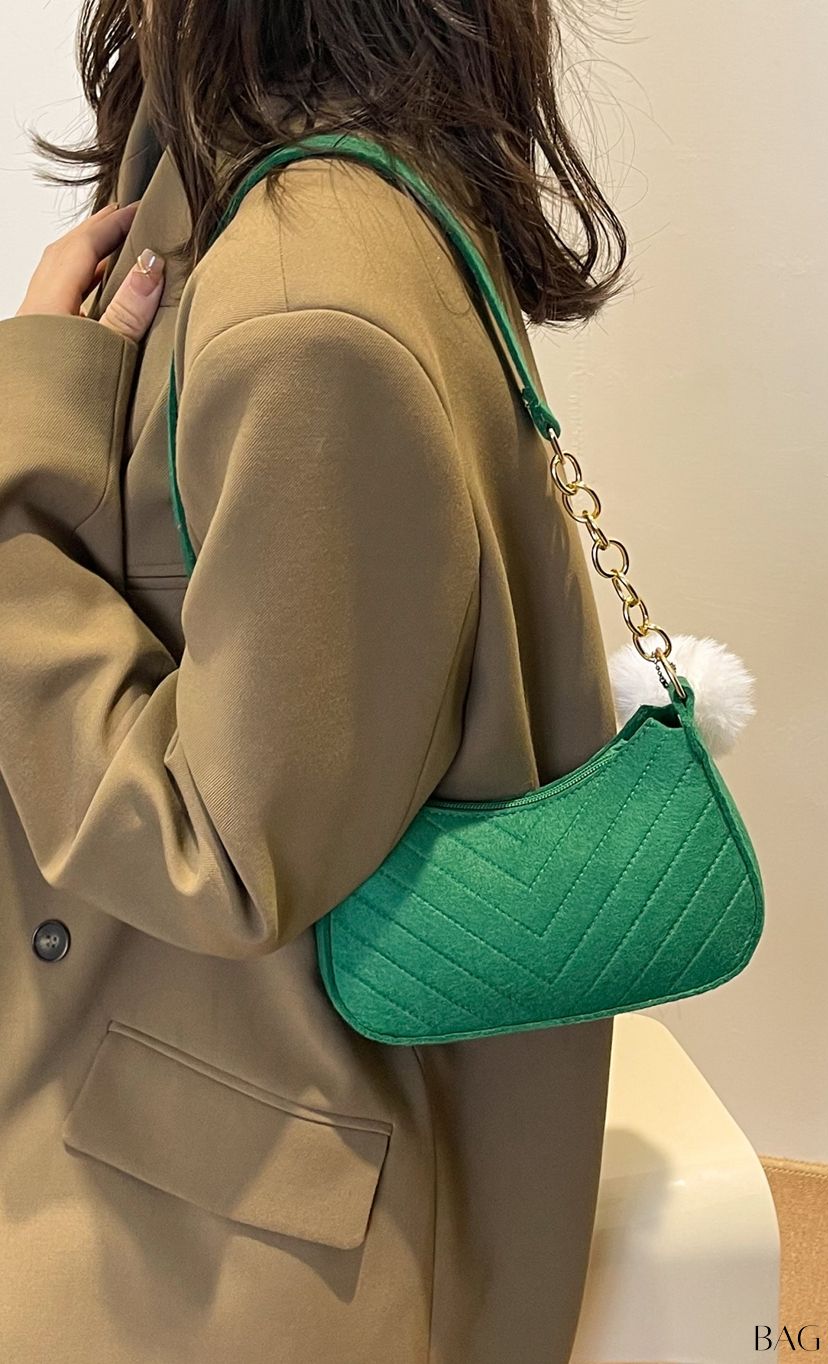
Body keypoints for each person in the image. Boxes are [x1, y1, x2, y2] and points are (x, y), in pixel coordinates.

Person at [0, 2, 631, 1360]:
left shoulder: (308, 307)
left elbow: (219, 859)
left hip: (216, 1227)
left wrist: (15, 486)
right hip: (171, 1105)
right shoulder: (269, 169)